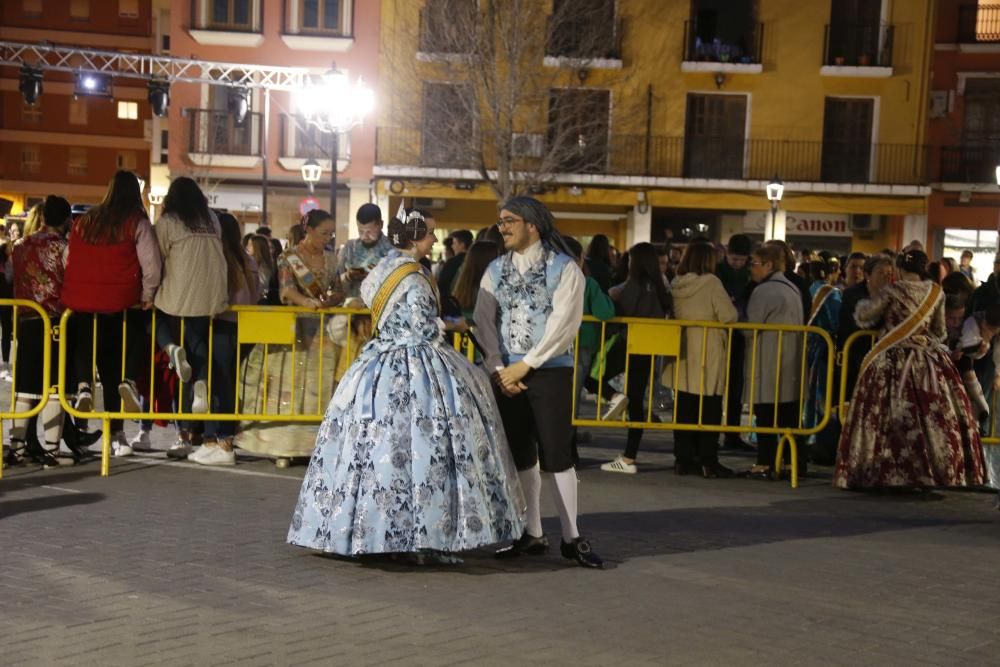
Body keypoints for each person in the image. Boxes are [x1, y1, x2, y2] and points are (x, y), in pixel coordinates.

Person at [288, 208, 524, 562]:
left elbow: (373, 302)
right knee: (425, 448)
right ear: (415, 237)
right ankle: (416, 533)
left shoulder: (384, 266)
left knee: (373, 450)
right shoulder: (415, 275)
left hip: (377, 362)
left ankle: (364, 528)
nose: (434, 239)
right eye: (429, 233)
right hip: (415, 365)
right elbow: (421, 327)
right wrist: (453, 326)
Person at [475, 196, 604, 568]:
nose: (503, 228)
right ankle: (531, 532)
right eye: (500, 222)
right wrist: (500, 368)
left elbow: (564, 325)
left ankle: (571, 536)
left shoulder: (564, 269)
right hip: (506, 373)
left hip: (549, 371)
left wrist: (525, 366)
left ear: (533, 224)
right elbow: (484, 322)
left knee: (557, 456)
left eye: (509, 221)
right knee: (521, 455)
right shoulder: (495, 269)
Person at [835, 250, 985, 490]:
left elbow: (864, 316)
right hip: (927, 361)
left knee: (883, 415)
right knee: (933, 416)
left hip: (891, 360)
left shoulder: (891, 290)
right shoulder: (935, 292)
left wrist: (874, 299)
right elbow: (939, 332)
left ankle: (884, 471)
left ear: (900, 268)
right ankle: (936, 471)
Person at [62, 170, 162, 457]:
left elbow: (69, 257)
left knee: (84, 343)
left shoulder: (84, 222)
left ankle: (83, 385)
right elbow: (151, 264)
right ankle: (117, 429)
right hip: (121, 303)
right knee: (112, 368)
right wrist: (148, 295)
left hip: (82, 301)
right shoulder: (137, 223)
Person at [235, 209, 341, 466]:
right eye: (324, 233)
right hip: (293, 329)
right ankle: (282, 447)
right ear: (310, 230)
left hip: (322, 331)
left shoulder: (331, 259)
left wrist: (331, 300)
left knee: (321, 385)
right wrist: (305, 301)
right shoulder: (289, 257)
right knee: (286, 385)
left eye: (331, 233)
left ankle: (315, 445)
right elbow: (285, 289)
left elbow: (337, 289)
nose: (328, 238)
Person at [153, 177, 229, 459]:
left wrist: (150, 291)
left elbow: (156, 259)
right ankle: (201, 384)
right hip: (212, 296)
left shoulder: (169, 222)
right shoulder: (211, 218)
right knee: (200, 354)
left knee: (154, 323)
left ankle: (184, 433)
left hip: (179, 297)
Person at [5, 196, 76, 466]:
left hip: (26, 321)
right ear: (67, 219)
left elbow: (11, 277)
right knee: (54, 388)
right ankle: (51, 451)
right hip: (56, 322)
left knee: (25, 387)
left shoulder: (21, 245)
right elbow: (72, 280)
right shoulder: (64, 247)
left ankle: (18, 448)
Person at [661, 240, 738, 477]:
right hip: (709, 347)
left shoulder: (677, 283)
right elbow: (729, 315)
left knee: (685, 406)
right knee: (710, 406)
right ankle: (708, 460)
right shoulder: (712, 283)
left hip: (683, 347)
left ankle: (682, 459)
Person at [188, 212, 258, 466]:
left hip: (221, 325)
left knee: (218, 385)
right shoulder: (247, 260)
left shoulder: (222, 260)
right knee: (223, 383)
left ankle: (223, 441)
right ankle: (214, 439)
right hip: (244, 327)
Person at [598, 242, 671, 475]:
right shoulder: (660, 287)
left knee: (593, 376)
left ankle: (614, 396)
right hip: (649, 347)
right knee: (637, 399)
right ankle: (629, 456)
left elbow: (622, 308)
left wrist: (613, 296)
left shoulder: (634, 285)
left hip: (629, 343)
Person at [744, 244, 804, 479]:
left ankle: (765, 463)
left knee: (766, 414)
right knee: (788, 416)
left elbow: (750, 328)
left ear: (768, 265)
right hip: (789, 362)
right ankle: (792, 463)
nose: (753, 269)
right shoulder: (792, 288)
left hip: (768, 360)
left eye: (755, 264)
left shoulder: (765, 291)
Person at [717, 233, 753, 451]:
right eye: (734, 259)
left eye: (741, 259)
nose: (737, 263)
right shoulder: (719, 271)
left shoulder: (750, 274)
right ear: (727, 255)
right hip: (720, 333)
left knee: (736, 385)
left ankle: (732, 432)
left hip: (739, 335)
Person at [804, 260, 842, 431]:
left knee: (807, 392)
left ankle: (805, 430)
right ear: (831, 272)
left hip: (808, 346)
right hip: (823, 349)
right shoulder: (831, 293)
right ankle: (817, 432)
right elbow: (835, 321)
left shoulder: (809, 289)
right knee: (820, 393)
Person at [337, 203, 393, 298]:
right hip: (351, 307)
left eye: (370, 232)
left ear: (381, 225)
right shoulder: (349, 248)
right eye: (361, 231)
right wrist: (348, 276)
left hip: (382, 308)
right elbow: (335, 283)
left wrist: (378, 275)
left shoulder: (392, 249)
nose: (365, 236)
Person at [437, 228, 473, 303]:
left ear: (462, 245)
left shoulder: (452, 262)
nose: (452, 246)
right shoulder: (475, 261)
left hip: (453, 303)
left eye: (454, 243)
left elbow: (442, 285)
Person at [247, 234, 278, 304]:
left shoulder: (263, 267)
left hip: (259, 302)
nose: (247, 247)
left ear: (258, 247)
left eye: (250, 245)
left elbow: (262, 287)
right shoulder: (253, 264)